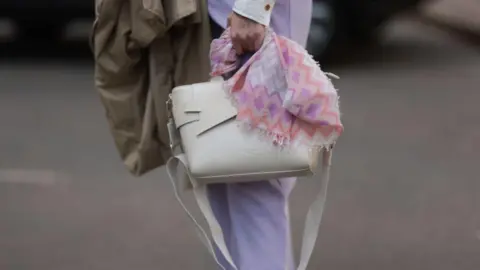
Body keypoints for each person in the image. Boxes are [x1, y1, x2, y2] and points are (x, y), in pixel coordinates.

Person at [206, 1, 313, 269]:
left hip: (248, 23)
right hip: (226, 18)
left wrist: (253, 8)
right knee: (219, 178)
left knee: (255, 184)